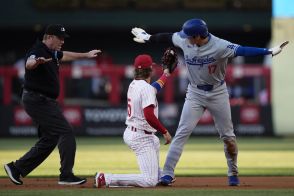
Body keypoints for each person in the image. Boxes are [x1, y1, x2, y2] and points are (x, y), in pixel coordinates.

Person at [131, 18, 288, 186]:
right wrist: (148, 37)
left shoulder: (220, 46)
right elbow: (168, 37)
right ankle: (167, 173)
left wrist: (268, 51)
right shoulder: (185, 40)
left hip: (217, 92)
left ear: (199, 36)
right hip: (195, 92)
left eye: (190, 36)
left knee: (228, 138)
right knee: (182, 133)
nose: (185, 38)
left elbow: (242, 50)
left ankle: (232, 171)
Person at [4, 24, 101, 185]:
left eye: (63, 38)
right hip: (37, 99)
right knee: (66, 132)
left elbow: (66, 55)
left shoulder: (51, 52)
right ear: (49, 37)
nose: (62, 41)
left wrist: (86, 55)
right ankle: (66, 175)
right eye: (60, 38)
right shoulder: (39, 50)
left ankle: (16, 168)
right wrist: (35, 63)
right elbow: (29, 62)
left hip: (42, 100)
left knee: (50, 139)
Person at [94, 53, 175, 188]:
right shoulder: (146, 88)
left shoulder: (135, 84)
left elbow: (154, 88)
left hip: (135, 132)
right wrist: (164, 131)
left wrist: (166, 74)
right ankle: (106, 178)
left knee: (154, 144)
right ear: (150, 70)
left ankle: (159, 175)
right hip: (140, 136)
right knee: (149, 181)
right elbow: (149, 115)